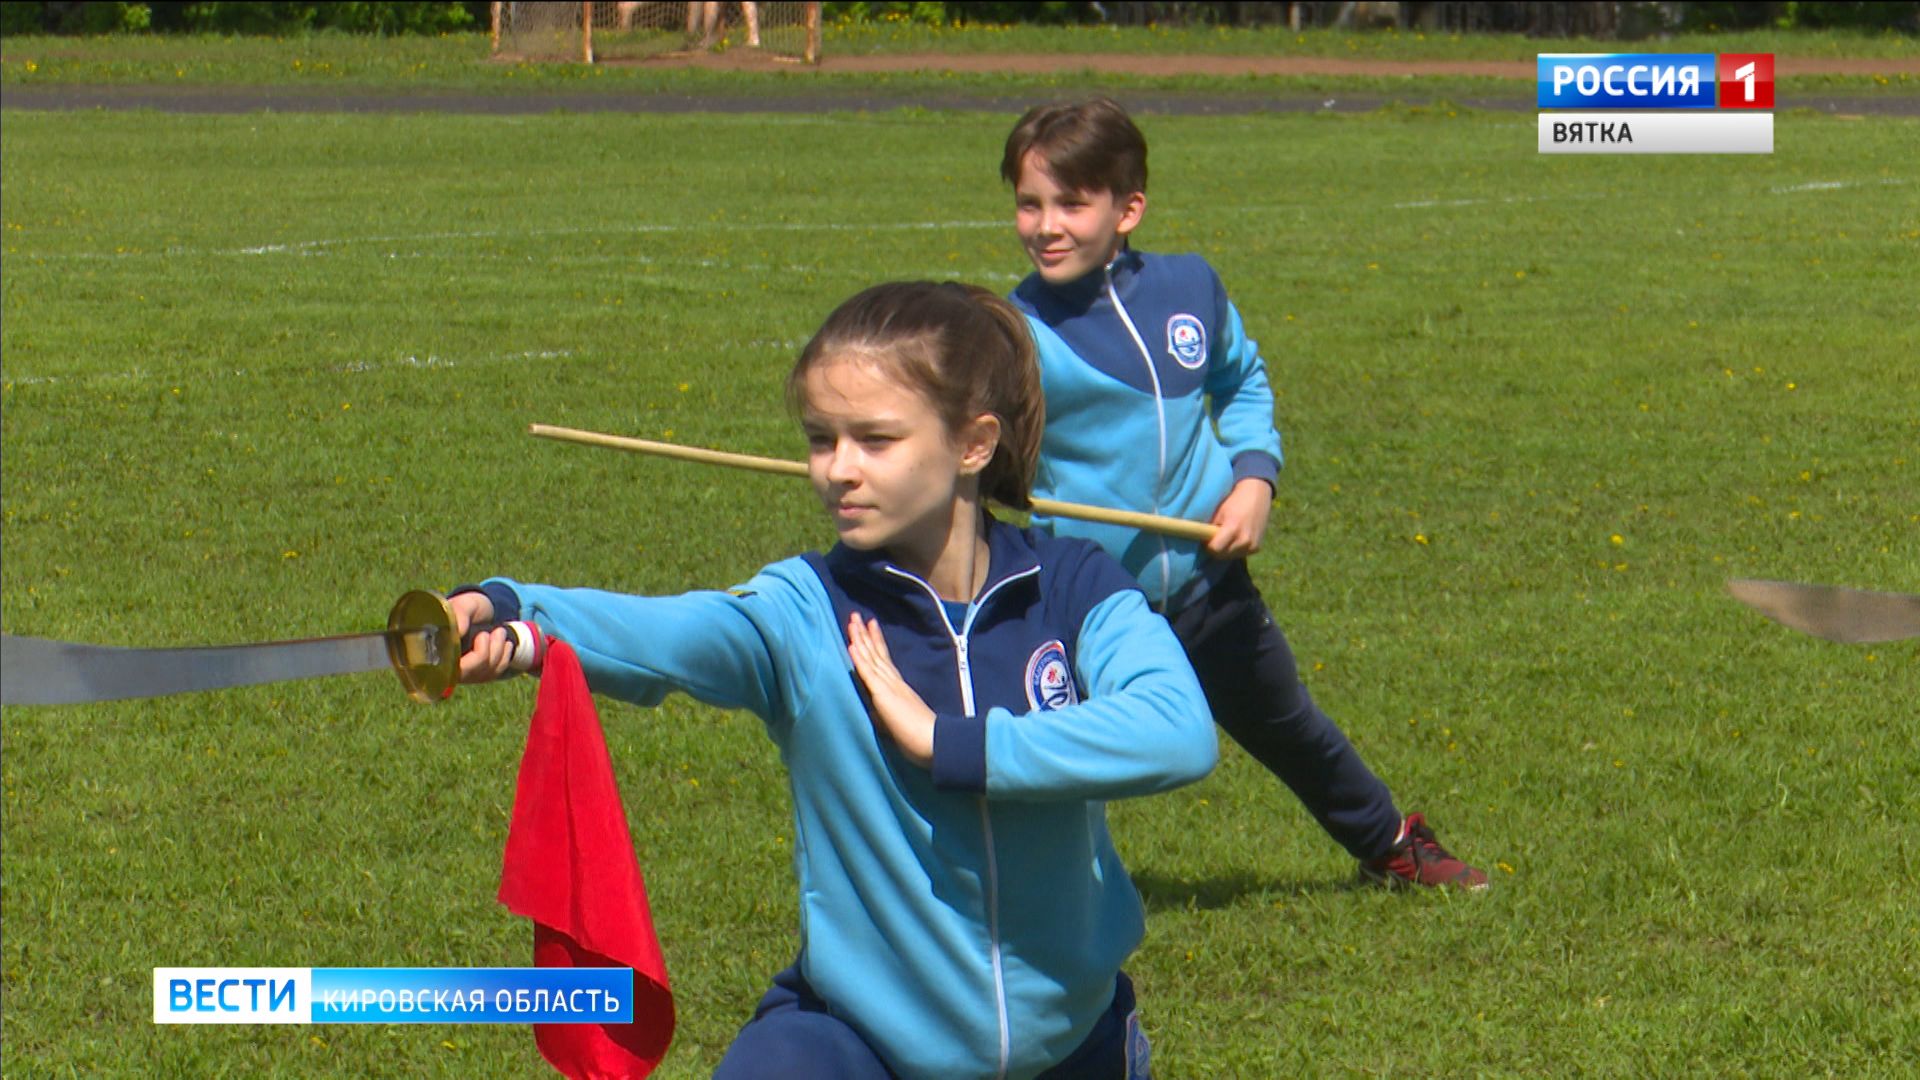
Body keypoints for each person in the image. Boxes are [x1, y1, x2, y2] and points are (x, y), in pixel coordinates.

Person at [451, 281, 1216, 1078]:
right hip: (861, 1043)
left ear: (973, 444)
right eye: (822, 439)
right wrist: (516, 615)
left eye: (875, 440)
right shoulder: (805, 611)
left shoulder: (1070, 586)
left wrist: (951, 743)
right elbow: (671, 632)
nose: (838, 471)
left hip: (1071, 1043)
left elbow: (1177, 729)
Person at [999, 97, 1487, 890]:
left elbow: (1242, 380)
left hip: (1207, 584)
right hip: (1084, 600)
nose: (1045, 225)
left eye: (1070, 203)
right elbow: (980, 444)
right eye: (1029, 203)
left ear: (1129, 210)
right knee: (1050, 753)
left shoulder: (1190, 288)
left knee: (1288, 725)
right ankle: (997, 892)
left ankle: (1391, 847)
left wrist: (1253, 478)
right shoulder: (1016, 332)